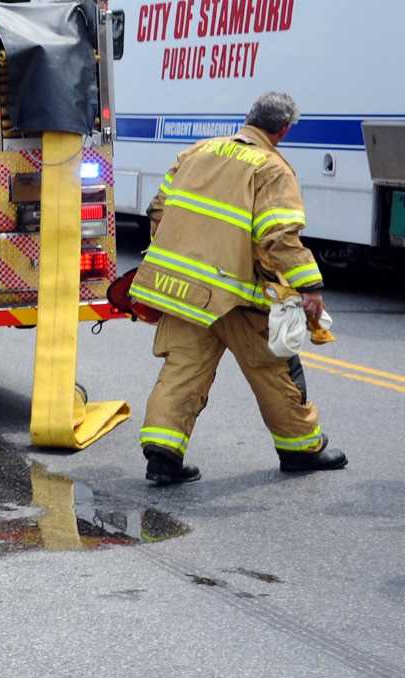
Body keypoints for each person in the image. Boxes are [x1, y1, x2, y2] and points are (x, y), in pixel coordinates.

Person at [131, 91, 344, 485]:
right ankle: (300, 449)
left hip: (183, 291)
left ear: (249, 118)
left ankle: (162, 457)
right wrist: (309, 286)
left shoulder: (197, 151)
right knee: (273, 369)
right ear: (283, 130)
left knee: (182, 370)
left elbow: (158, 210)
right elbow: (277, 237)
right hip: (236, 298)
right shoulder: (272, 168)